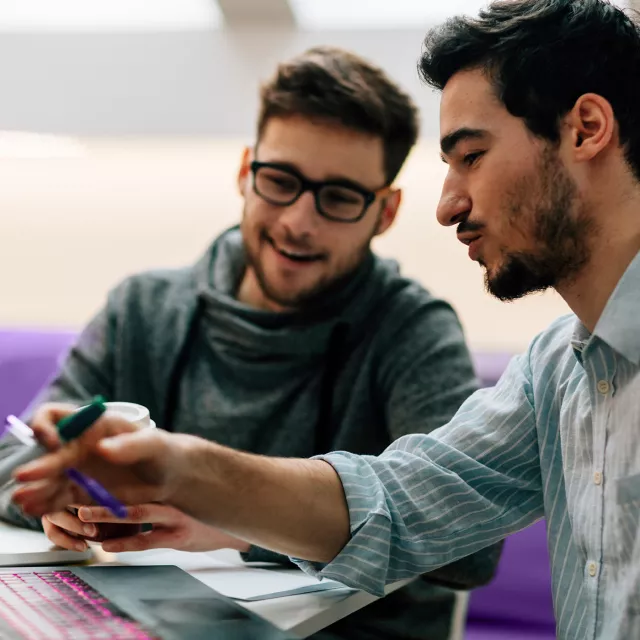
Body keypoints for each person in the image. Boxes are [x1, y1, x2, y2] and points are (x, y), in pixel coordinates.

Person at [0, 46, 502, 640]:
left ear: (385, 212)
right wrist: (61, 500)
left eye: (339, 197)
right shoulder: (143, 309)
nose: (298, 221)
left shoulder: (412, 331)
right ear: (245, 171)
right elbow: (16, 468)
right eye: (280, 181)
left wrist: (233, 518)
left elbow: (468, 546)